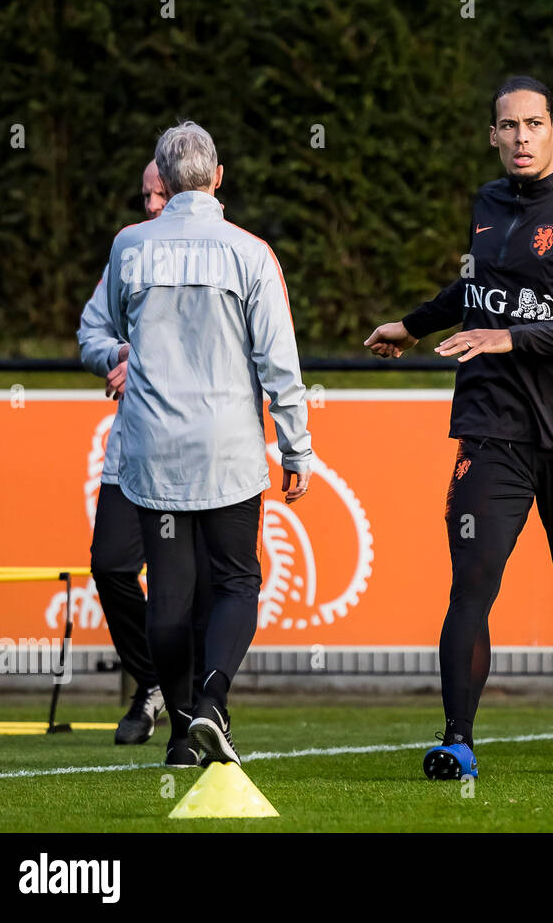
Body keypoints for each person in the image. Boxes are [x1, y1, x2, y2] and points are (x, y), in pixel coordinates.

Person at [365, 76, 553, 780]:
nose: (520, 137)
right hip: (492, 427)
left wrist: (511, 338)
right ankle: (457, 740)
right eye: (507, 126)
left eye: (533, 124)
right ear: (492, 135)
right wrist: (414, 323)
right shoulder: (487, 204)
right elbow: (477, 291)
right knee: (472, 584)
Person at [106, 121, 312, 767]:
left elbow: (109, 325)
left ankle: (177, 739)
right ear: (219, 177)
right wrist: (297, 449)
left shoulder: (129, 247)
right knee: (235, 580)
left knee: (167, 595)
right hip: (226, 449)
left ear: (162, 181)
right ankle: (213, 702)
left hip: (155, 451)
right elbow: (280, 362)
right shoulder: (251, 252)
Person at [77, 160, 169, 744]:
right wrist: (117, 355)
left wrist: (148, 358)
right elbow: (92, 331)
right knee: (110, 565)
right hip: (133, 449)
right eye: (145, 196)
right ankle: (155, 680)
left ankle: (196, 707)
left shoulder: (229, 250)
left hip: (200, 453)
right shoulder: (129, 249)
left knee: (188, 582)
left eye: (163, 193)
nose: (154, 205)